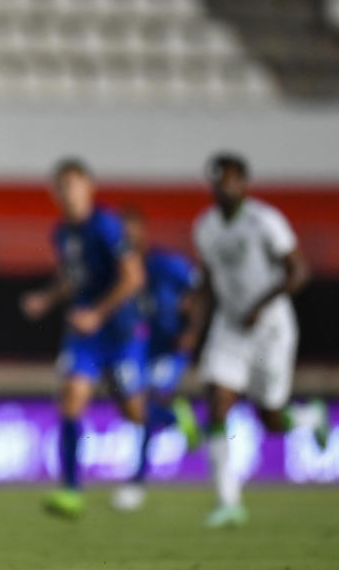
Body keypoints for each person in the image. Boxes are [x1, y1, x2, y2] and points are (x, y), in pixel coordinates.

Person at [192, 153, 329, 528]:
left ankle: (310, 415)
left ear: (244, 183)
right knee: (217, 400)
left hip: (271, 328)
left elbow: (298, 271)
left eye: (230, 179)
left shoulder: (265, 221)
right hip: (230, 326)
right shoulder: (205, 227)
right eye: (217, 180)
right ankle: (227, 502)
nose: (223, 186)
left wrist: (261, 304)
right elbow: (208, 279)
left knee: (270, 418)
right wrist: (194, 318)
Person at [21, 159, 146, 518]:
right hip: (85, 335)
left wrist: (98, 313)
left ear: (89, 187)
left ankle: (169, 416)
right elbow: (72, 278)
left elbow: (133, 277)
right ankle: (71, 489)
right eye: (62, 187)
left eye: (74, 185)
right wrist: (46, 298)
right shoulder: (62, 233)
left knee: (134, 411)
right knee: (72, 397)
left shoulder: (107, 226)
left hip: (120, 331)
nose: (69, 194)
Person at [111, 209, 201, 512]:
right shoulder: (116, 270)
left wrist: (190, 327)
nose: (127, 238)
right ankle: (178, 418)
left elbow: (199, 290)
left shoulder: (166, 264)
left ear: (144, 233)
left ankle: (137, 482)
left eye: (133, 231)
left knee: (150, 405)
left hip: (170, 346)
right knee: (133, 410)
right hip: (137, 345)